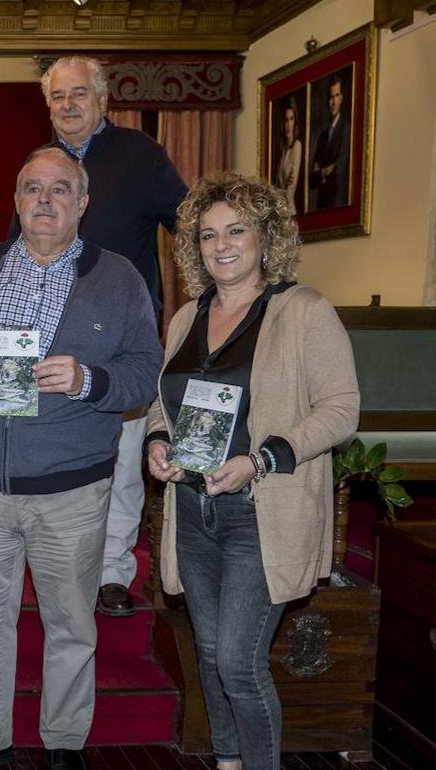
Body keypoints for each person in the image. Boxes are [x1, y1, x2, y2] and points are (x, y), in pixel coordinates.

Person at [0, 147, 162, 770]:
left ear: (82, 203)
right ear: (18, 201)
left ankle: (62, 743)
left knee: (71, 626)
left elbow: (144, 372)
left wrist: (88, 379)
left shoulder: (118, 278)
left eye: (61, 190)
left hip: (70, 490)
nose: (45, 201)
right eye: (33, 189)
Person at [146, 173, 359, 770]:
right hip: (193, 508)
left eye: (236, 230)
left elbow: (342, 410)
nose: (222, 245)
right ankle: (227, 761)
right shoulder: (187, 317)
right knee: (212, 654)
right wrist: (158, 442)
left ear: (266, 238)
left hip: (260, 515)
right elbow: (165, 404)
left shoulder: (305, 311)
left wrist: (261, 459)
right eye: (208, 234)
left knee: (239, 661)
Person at [10, 55, 185, 618]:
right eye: (58, 96)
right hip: (46, 343)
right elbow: (18, 247)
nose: (68, 105)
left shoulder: (140, 155)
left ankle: (112, 573)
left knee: (122, 460)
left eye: (79, 93)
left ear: (103, 98)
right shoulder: (43, 166)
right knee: (59, 460)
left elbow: (189, 224)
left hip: (118, 344)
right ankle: (56, 566)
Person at [309, 74, 351, 210]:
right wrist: (325, 171)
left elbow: (339, 170)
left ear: (341, 98)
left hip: (337, 204)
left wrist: (321, 171)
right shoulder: (322, 137)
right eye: (331, 97)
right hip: (321, 206)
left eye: (336, 96)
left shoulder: (346, 129)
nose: (333, 102)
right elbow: (312, 180)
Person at [272, 96, 303, 212]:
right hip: (280, 213)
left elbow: (290, 191)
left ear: (295, 121)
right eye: (286, 120)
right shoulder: (283, 150)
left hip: (290, 212)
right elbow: (276, 185)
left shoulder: (297, 146)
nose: (288, 125)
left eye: (291, 119)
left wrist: (276, 191)